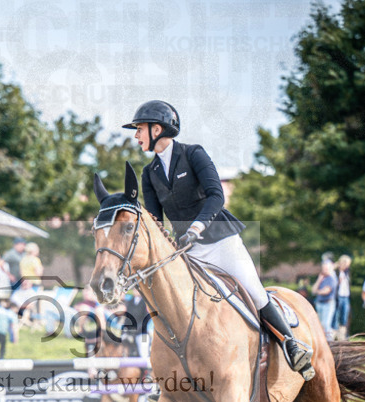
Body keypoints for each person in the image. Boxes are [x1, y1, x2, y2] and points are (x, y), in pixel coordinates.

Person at [125, 99, 312, 378]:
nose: (136, 135)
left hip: (221, 241)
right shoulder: (149, 173)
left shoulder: (193, 154)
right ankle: (173, 373)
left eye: (139, 128)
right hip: (188, 250)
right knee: (174, 304)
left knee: (253, 289)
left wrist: (197, 228)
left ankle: (291, 344)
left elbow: (217, 196)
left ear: (158, 128)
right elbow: (154, 219)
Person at [311, 261, 336, 340]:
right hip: (320, 304)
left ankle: (329, 341)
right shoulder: (322, 278)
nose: (324, 270)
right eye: (323, 268)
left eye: (326, 268)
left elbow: (326, 291)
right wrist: (319, 279)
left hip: (328, 304)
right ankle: (322, 341)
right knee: (320, 324)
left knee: (326, 324)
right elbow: (313, 290)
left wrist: (317, 291)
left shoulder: (331, 279)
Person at [333, 255, 352, 340]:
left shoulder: (347, 273)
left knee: (345, 316)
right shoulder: (336, 272)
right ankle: (335, 335)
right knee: (336, 315)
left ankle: (343, 335)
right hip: (338, 296)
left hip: (346, 297)